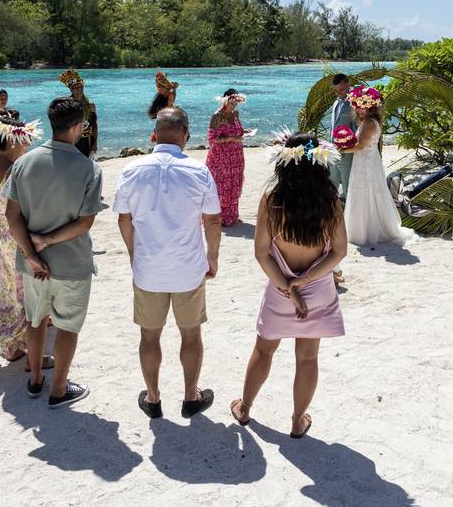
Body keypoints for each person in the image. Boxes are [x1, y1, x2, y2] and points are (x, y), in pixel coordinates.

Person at [230, 132, 347, 438]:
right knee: (307, 357)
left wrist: (287, 285)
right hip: (318, 289)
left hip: (280, 289)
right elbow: (339, 251)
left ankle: (245, 408)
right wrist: (305, 280)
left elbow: (260, 252)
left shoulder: (272, 200)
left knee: (264, 350)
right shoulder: (329, 201)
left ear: (284, 161)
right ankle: (297, 420)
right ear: (320, 161)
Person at [113, 107, 220, 419]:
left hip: (148, 270)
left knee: (149, 335)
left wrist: (134, 254)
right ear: (186, 136)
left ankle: (153, 397)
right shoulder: (199, 171)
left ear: (153, 135)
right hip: (188, 268)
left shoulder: (132, 170)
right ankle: (190, 396)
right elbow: (212, 222)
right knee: (191, 334)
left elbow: (124, 220)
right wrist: (211, 257)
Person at [5, 97, 106, 408]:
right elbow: (85, 223)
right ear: (77, 127)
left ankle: (35, 379)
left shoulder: (23, 163)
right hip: (71, 263)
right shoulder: (89, 168)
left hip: (32, 263)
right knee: (67, 326)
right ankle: (59, 388)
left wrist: (32, 253)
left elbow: (12, 216)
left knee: (36, 322)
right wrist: (48, 241)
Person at [0, 116, 44, 362]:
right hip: (15, 234)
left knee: (4, 288)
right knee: (22, 291)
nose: (26, 146)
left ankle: (9, 341)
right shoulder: (14, 169)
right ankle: (20, 344)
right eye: (23, 141)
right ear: (13, 140)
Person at [340, 86, 417, 246]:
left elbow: (360, 147)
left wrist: (341, 149)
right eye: (358, 106)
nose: (360, 109)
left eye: (364, 106)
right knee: (368, 193)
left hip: (366, 164)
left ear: (371, 106)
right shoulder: (369, 122)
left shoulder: (369, 123)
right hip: (366, 162)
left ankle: (366, 232)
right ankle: (364, 229)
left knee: (366, 192)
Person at [206, 88, 248, 226]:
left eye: (236, 102)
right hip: (220, 157)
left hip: (236, 156)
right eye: (231, 102)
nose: (234, 105)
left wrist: (244, 132)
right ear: (225, 100)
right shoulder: (217, 115)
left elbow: (238, 131)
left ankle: (232, 215)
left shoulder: (236, 114)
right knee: (222, 185)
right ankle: (220, 217)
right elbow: (211, 139)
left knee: (235, 182)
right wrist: (230, 138)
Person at [328, 74, 355, 201]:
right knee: (331, 187)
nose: (338, 93)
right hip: (332, 153)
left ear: (348, 84)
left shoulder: (355, 103)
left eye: (341, 90)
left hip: (347, 153)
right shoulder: (335, 103)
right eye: (335, 90)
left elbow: (357, 128)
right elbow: (333, 127)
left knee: (348, 187)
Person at [59, 69, 98, 158]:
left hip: (87, 141)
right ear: (71, 90)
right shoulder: (67, 105)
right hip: (72, 141)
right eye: (76, 88)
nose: (79, 90)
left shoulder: (90, 105)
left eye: (81, 87)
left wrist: (95, 143)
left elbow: (94, 125)